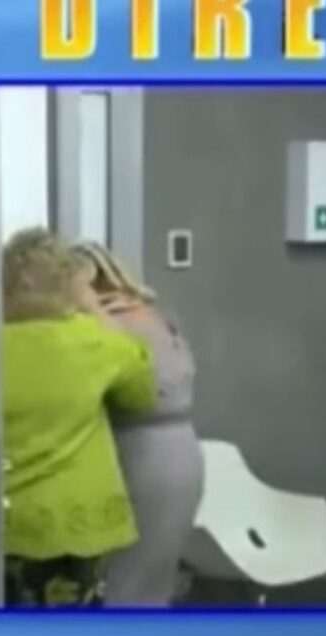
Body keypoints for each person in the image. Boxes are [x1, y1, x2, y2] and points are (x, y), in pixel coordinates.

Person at [0, 229, 156, 608]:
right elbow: (142, 394)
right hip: (75, 522)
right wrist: (94, 308)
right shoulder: (95, 342)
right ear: (67, 285)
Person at [69, 242, 204, 608]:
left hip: (140, 451)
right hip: (184, 450)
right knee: (157, 574)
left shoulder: (106, 323)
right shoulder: (154, 315)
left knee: (124, 578)